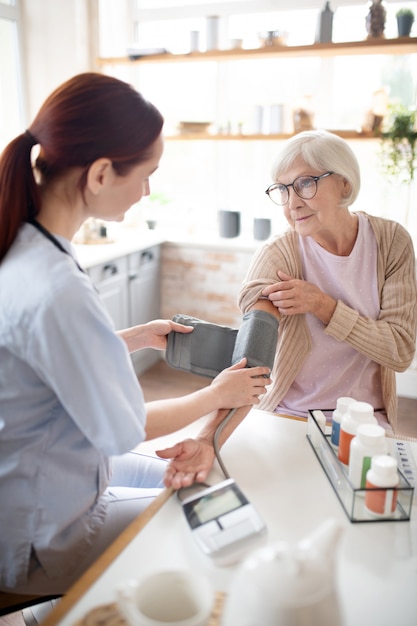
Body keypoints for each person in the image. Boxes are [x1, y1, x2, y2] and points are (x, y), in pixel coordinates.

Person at [0, 72, 271, 596]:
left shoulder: (25, 245)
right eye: (146, 174)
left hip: (35, 477)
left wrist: (137, 336)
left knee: (189, 473)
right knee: (202, 513)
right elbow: (125, 430)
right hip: (39, 535)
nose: (148, 191)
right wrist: (218, 394)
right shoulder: (57, 288)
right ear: (100, 173)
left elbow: (43, 354)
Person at [238, 129, 417, 432]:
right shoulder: (279, 253)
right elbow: (251, 345)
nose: (292, 203)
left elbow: (399, 351)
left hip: (365, 420)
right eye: (283, 189)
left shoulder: (391, 242)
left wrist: (323, 306)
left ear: (344, 183)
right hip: (289, 415)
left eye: (305, 183)